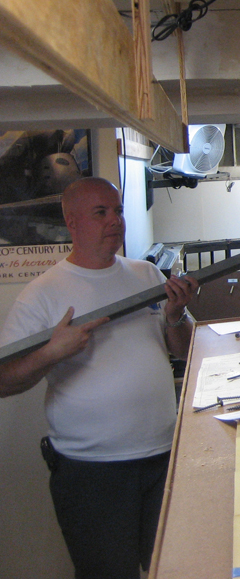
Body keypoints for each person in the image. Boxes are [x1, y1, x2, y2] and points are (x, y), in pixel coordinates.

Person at [0, 177, 197, 579]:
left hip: (164, 459)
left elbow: (184, 348)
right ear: (72, 223)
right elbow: (4, 380)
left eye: (119, 210)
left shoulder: (146, 275)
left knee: (175, 568)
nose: (116, 221)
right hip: (92, 475)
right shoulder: (43, 293)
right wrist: (52, 352)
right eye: (101, 212)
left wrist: (175, 315)